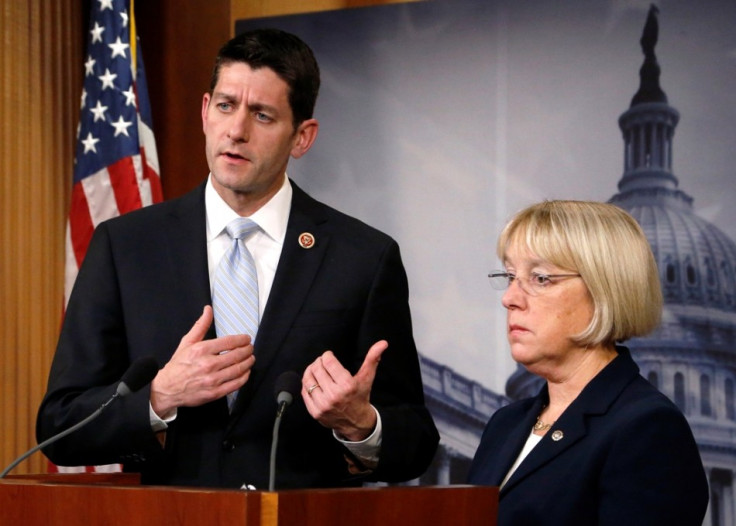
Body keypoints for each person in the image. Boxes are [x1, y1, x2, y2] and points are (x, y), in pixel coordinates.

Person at [37, 28, 438, 489]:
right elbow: (59, 427)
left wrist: (360, 424)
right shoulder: (125, 246)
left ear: (302, 137)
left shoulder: (363, 258)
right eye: (226, 106)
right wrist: (159, 397)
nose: (236, 130)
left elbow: (416, 443)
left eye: (262, 115)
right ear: (206, 111)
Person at [467, 200, 708, 525]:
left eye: (540, 278)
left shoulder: (647, 430)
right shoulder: (504, 424)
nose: (509, 298)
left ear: (605, 289)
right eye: (510, 276)